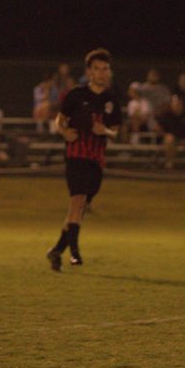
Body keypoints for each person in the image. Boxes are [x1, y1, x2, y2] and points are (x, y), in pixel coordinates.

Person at [46, 48, 122, 272]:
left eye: (105, 69)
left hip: (96, 160)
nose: (101, 73)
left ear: (109, 72)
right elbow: (60, 120)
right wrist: (64, 131)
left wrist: (105, 131)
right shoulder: (76, 94)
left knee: (78, 208)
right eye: (97, 69)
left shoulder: (112, 99)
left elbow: (115, 131)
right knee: (77, 202)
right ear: (89, 72)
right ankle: (75, 253)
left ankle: (57, 250)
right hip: (76, 156)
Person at [158, 95, 185, 170]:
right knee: (169, 140)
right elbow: (159, 127)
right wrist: (165, 135)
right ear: (171, 105)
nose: (177, 106)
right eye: (175, 104)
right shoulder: (167, 114)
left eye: (179, 104)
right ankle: (169, 165)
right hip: (173, 139)